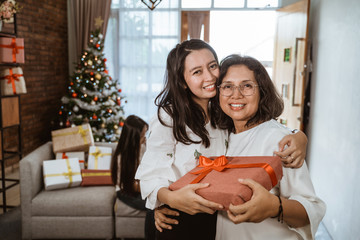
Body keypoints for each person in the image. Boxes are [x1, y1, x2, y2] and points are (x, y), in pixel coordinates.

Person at [135, 39, 308, 240]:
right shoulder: (169, 117)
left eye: (212, 66)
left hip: (214, 218)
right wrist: (171, 199)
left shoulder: (222, 113)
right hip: (177, 215)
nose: (209, 76)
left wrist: (299, 136)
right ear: (182, 81)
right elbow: (150, 173)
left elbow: (259, 127)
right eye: (197, 71)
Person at [213, 54, 326, 239]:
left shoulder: (280, 141)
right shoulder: (220, 137)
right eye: (227, 86)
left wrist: (274, 206)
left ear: (262, 92)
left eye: (247, 85)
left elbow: (312, 209)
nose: (236, 94)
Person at [110, 114, 155, 240]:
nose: (145, 139)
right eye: (142, 136)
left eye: (146, 134)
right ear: (133, 138)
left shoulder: (142, 147)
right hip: (127, 192)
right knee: (152, 206)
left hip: (140, 185)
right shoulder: (122, 158)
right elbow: (130, 185)